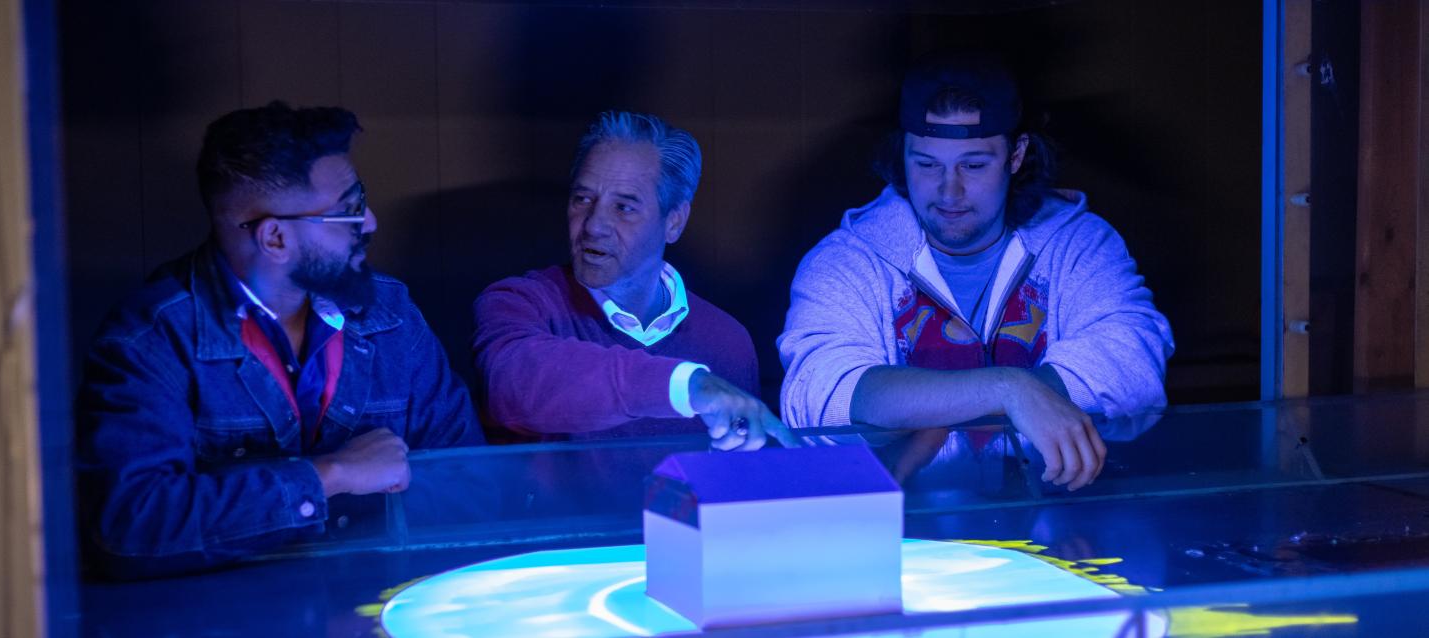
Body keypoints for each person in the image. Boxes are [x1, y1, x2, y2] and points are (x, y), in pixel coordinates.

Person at [78, 102, 483, 578]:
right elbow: (130, 525)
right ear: (274, 239)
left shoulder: (389, 313)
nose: (370, 221)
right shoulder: (152, 337)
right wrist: (330, 475)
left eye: (363, 198)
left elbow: (475, 485)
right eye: (349, 210)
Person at [778, 52, 1173, 490]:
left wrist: (959, 403)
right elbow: (819, 395)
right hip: (909, 528)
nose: (950, 190)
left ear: (1016, 155)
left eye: (974, 164)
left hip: (1060, 519)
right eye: (927, 164)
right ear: (903, 153)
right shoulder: (846, 260)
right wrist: (1009, 389)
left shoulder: (1078, 243)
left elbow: (1134, 360)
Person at [473, 111, 795, 450]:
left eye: (624, 208)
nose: (593, 225)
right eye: (582, 199)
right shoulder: (519, 303)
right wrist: (684, 385)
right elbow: (514, 386)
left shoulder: (726, 340)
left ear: (674, 221)